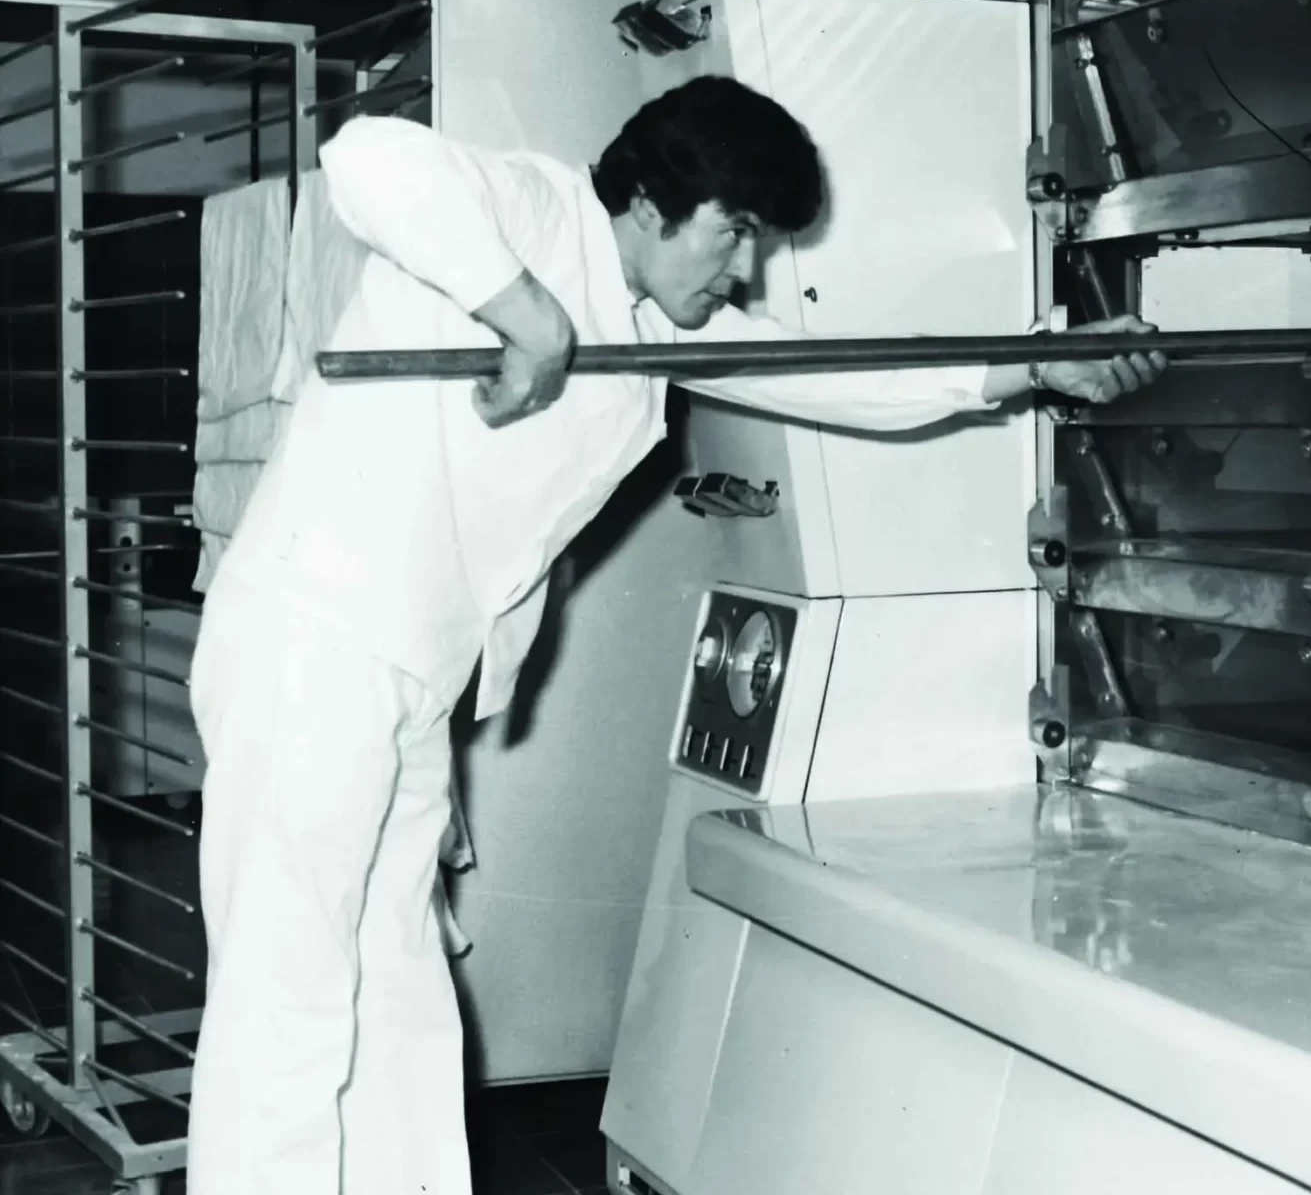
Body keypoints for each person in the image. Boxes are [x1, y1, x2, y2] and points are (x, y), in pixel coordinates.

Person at [182, 74, 1168, 1195]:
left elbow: (838, 369)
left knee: (397, 995)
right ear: (649, 204)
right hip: (316, 639)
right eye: (735, 231)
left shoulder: (649, 324)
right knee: (290, 999)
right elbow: (366, 158)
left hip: (408, 674)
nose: (744, 268)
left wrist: (1035, 364)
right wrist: (525, 311)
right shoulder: (536, 212)